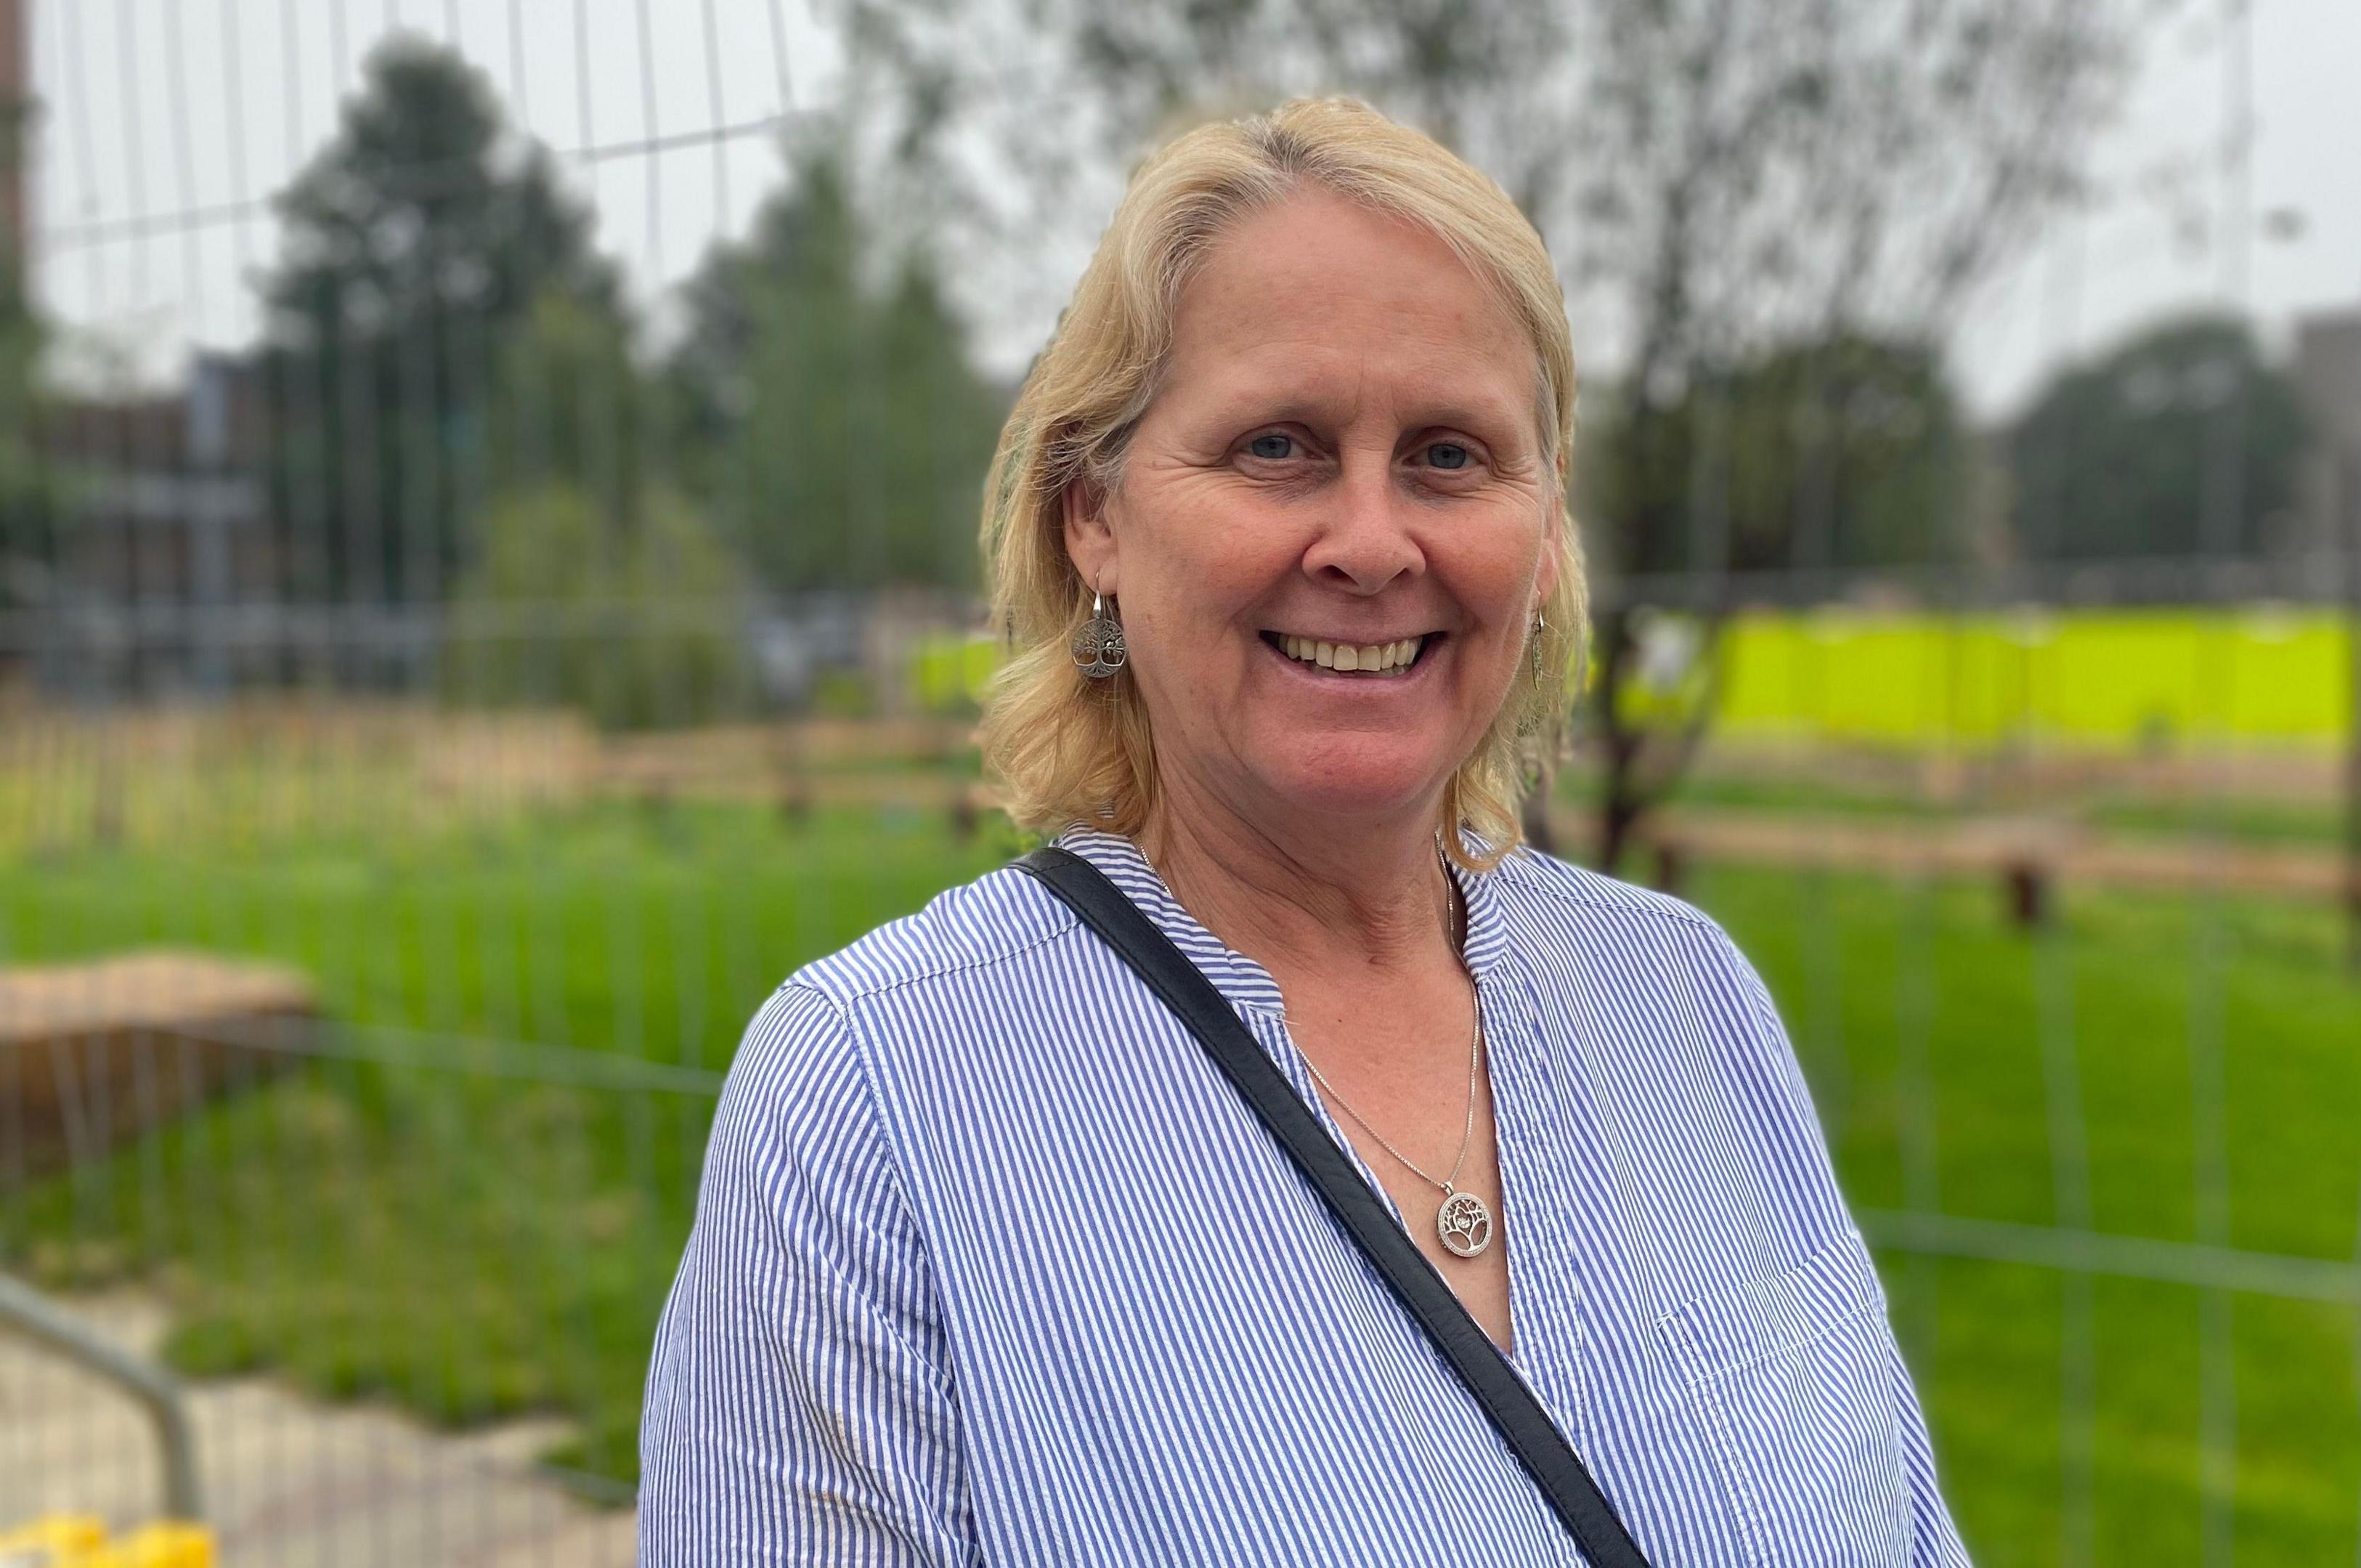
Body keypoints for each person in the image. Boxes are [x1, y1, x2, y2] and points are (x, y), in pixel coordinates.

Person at [639, 95, 1966, 1566]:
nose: (1373, 543)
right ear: (1097, 519)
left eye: (1452, 457)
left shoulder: (1686, 997)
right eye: (1278, 446)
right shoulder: (872, 1105)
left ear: (1540, 538)